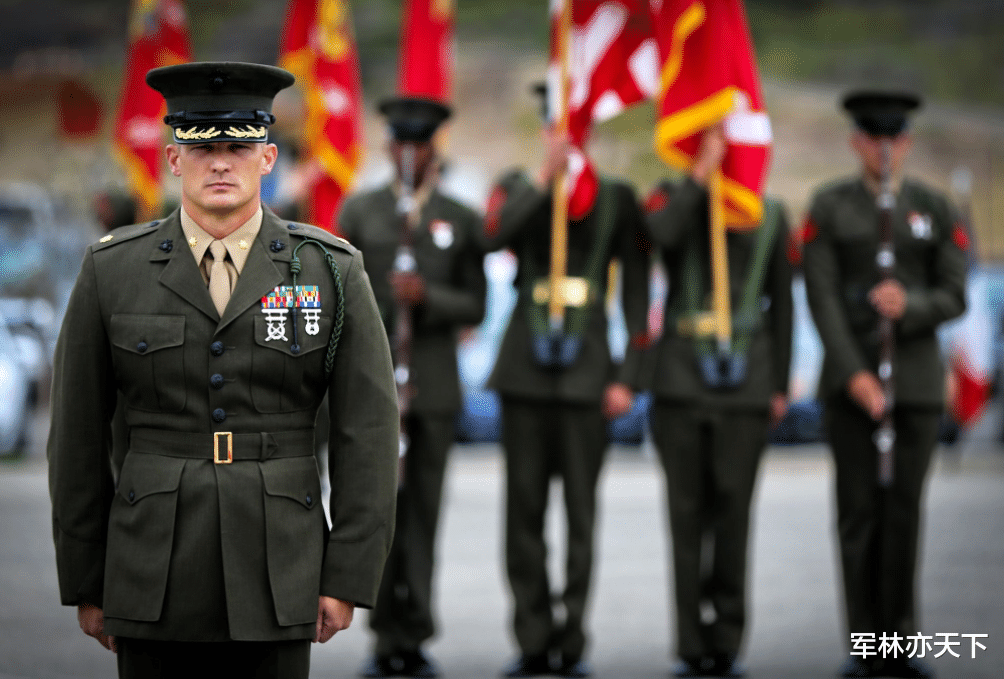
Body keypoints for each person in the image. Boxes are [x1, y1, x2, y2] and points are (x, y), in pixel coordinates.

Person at [47, 61, 400, 679]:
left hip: (280, 570)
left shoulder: (330, 270)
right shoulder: (112, 271)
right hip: (149, 569)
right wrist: (87, 578)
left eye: (238, 147)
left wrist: (347, 576)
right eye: (200, 146)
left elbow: (367, 434)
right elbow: (75, 437)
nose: (219, 163)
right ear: (174, 157)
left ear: (268, 158)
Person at [482, 89, 651, 678]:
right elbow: (494, 239)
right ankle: (532, 637)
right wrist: (542, 175)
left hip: (589, 377)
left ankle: (573, 639)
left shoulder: (616, 197)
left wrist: (630, 375)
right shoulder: (517, 184)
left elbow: (635, 288)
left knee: (581, 516)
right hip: (526, 372)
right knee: (522, 514)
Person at [802, 91, 968, 679]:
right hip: (853, 387)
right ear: (857, 143)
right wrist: (855, 375)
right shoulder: (830, 206)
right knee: (857, 516)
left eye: (894, 138)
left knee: (903, 514)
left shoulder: (934, 209)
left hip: (916, 387)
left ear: (909, 143)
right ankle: (864, 644)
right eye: (874, 138)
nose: (885, 149)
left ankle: (899, 645)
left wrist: (911, 304)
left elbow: (955, 294)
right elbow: (820, 296)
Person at [338, 96, 487, 678]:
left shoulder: (460, 216)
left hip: (435, 392)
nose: (408, 155)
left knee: (424, 515)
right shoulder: (363, 212)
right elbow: (341, 296)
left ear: (433, 151)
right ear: (386, 148)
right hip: (377, 390)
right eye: (400, 144)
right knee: (382, 514)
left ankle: (415, 633)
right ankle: (382, 637)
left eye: (419, 145)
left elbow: (476, 301)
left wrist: (429, 297)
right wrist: (385, 300)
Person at [643, 123, 792, 678]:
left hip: (746, 386)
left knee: (733, 515)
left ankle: (726, 639)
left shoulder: (770, 213)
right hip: (681, 382)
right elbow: (655, 236)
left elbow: (784, 307)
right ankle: (689, 643)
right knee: (685, 519)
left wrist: (777, 385)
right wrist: (699, 174)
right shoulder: (674, 196)